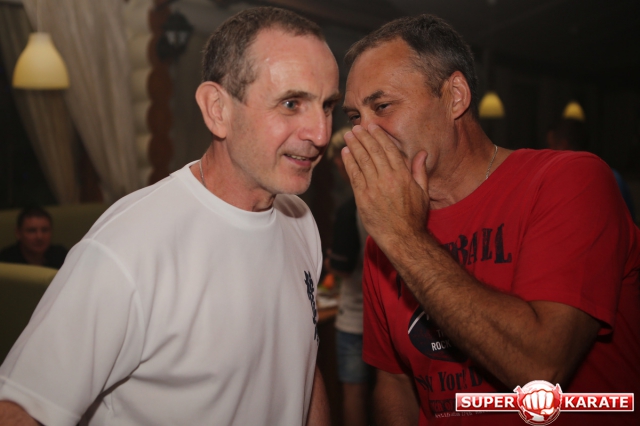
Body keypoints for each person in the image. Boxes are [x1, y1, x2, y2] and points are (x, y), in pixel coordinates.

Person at [0, 7, 339, 426]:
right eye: (291, 103)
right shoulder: (126, 249)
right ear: (217, 109)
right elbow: (20, 410)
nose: (320, 133)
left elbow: (301, 363)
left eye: (327, 105)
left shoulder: (299, 220)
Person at [340, 14, 640, 425]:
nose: (361, 134)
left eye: (382, 107)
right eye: (355, 117)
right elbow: (395, 382)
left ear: (455, 97)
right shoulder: (385, 238)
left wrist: (404, 238)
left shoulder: (570, 181)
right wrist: (396, 235)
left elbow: (540, 369)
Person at [327, 127, 372, 426]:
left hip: (355, 317)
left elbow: (342, 268)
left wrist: (329, 261)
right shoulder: (390, 196)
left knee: (354, 393)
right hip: (389, 318)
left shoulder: (350, 210)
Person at [546, 118, 636, 221]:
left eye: (551, 145)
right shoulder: (612, 177)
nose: (548, 152)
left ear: (563, 145)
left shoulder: (562, 184)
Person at [0, 206, 67, 268]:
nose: (39, 237)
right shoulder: (5, 261)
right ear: (18, 233)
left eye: (45, 230)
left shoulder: (61, 256)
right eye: (32, 231)